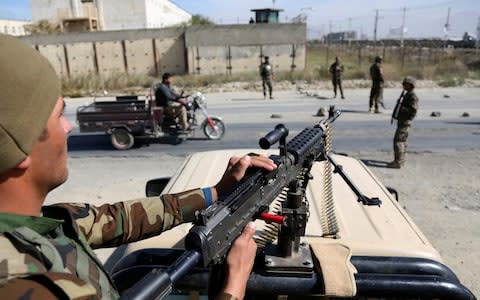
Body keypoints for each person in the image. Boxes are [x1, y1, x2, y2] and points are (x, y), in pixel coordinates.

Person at [0, 34, 277, 300]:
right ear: (21, 146)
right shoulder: (27, 287)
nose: (68, 126)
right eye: (59, 114)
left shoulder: (45, 222)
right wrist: (236, 282)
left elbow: (117, 219)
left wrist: (216, 192)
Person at [387, 76, 419, 169]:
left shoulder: (412, 96)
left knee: (398, 141)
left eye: (406, 84)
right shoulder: (407, 94)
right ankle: (401, 160)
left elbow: (413, 110)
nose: (404, 85)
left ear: (411, 85)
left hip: (405, 122)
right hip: (403, 121)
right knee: (402, 141)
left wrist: (402, 109)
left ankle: (398, 162)